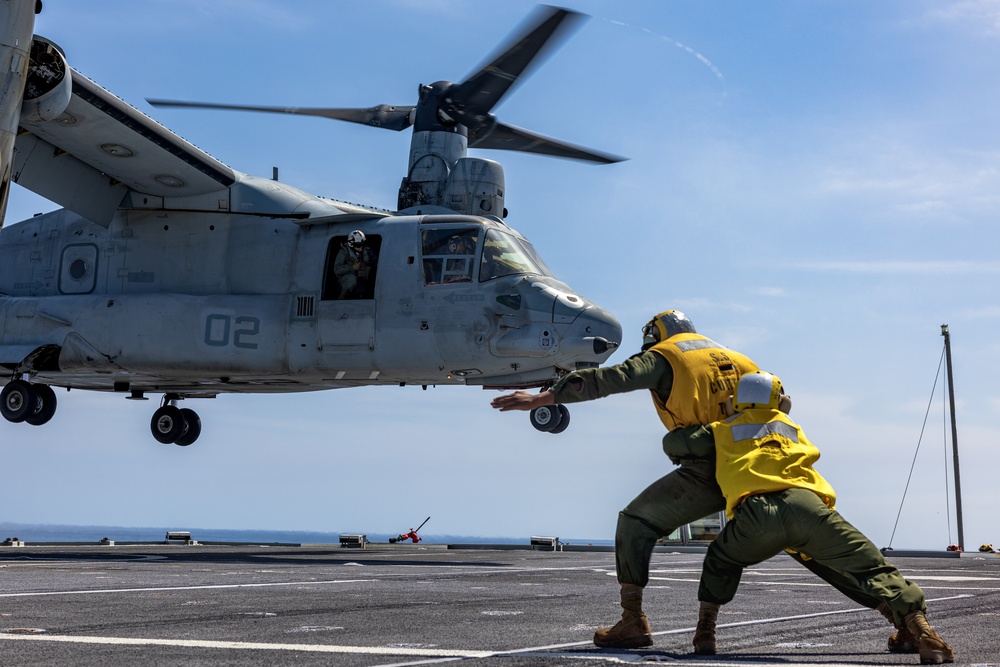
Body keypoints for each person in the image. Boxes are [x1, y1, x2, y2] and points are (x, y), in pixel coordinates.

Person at [491, 310, 914, 652]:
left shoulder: (664, 356)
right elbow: (780, 402)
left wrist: (544, 396)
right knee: (812, 547)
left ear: (655, 337)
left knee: (635, 522)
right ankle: (905, 620)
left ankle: (633, 620)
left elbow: (609, 379)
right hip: (759, 467)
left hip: (709, 466)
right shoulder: (740, 359)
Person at [679, 372, 954, 664]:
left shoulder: (720, 429)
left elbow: (679, 446)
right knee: (869, 565)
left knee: (721, 559)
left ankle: (705, 632)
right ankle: (923, 634)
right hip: (807, 508)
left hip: (755, 514)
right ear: (781, 401)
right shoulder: (790, 426)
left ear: (736, 401)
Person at [333, 230, 377, 299]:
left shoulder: (367, 250)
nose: (361, 248)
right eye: (358, 246)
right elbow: (337, 269)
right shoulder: (343, 253)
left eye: (362, 245)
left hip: (363, 277)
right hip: (348, 278)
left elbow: (375, 261)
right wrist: (352, 268)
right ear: (351, 244)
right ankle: (342, 295)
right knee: (351, 280)